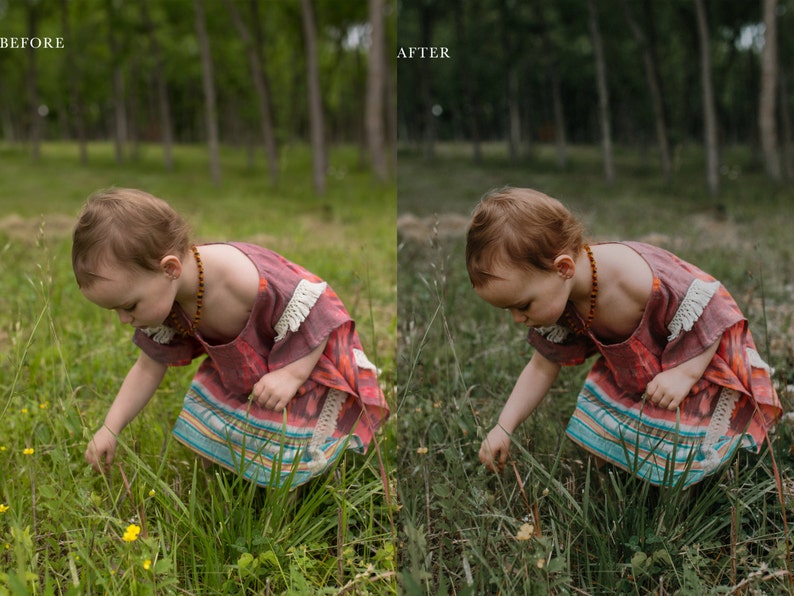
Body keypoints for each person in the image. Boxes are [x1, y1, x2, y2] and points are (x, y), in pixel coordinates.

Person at [73, 188, 389, 488]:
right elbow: (147, 367)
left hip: (303, 358)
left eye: (129, 306)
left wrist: (291, 375)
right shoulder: (167, 295)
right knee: (215, 436)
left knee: (290, 462)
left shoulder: (240, 279)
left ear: (169, 269)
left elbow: (319, 312)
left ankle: (289, 504)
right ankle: (234, 476)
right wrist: (111, 427)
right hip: (249, 370)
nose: (124, 319)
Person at [467, 187, 781, 487]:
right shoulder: (561, 295)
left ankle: (685, 498)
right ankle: (625, 477)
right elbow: (541, 366)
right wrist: (504, 426)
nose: (517, 319)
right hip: (642, 370)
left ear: (563, 268)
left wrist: (684, 374)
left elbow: (712, 311)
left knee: (685, 462)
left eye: (522, 305)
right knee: (604, 436)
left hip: (696, 357)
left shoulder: (633, 279)